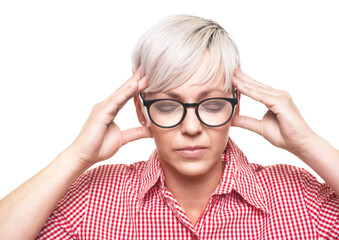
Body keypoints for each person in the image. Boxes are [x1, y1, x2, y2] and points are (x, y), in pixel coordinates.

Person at [0, 14, 338, 240]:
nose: (191, 127)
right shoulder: (93, 200)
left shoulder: (299, 198)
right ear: (141, 109)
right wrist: (75, 156)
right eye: (166, 105)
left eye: (212, 104)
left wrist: (308, 144)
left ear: (236, 104)